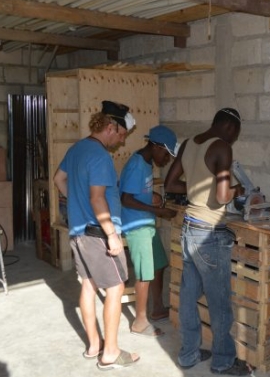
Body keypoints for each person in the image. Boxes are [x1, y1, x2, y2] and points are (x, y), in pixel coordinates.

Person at [53, 100, 140, 371]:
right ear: (111, 127)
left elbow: (58, 179)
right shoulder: (100, 156)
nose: (121, 141)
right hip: (97, 234)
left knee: (89, 286)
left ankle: (94, 346)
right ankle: (110, 352)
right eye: (122, 134)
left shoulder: (76, 149)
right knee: (115, 288)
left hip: (78, 232)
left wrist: (76, 203)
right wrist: (111, 234)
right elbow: (97, 198)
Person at [164, 107, 251, 375]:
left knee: (188, 296)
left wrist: (196, 190)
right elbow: (223, 197)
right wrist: (239, 188)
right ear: (230, 128)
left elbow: (170, 184)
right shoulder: (222, 147)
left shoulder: (189, 144)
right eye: (236, 134)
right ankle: (223, 361)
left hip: (189, 228)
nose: (234, 140)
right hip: (210, 235)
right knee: (219, 301)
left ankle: (188, 354)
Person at [120, 125, 178, 337]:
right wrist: (158, 211)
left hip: (146, 222)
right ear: (156, 147)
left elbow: (136, 190)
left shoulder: (146, 163)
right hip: (136, 226)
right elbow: (125, 199)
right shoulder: (137, 164)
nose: (167, 159)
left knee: (159, 264)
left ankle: (158, 308)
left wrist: (151, 195)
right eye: (166, 154)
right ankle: (140, 322)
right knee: (144, 274)